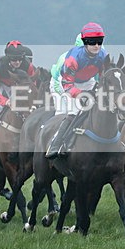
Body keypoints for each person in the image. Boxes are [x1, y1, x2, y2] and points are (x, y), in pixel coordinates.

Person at [45, 22, 108, 159]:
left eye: (99, 42)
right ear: (85, 43)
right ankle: (56, 144)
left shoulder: (103, 55)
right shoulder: (73, 59)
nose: (96, 46)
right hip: (65, 82)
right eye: (92, 42)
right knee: (73, 111)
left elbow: (103, 77)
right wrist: (80, 95)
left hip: (87, 81)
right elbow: (67, 84)